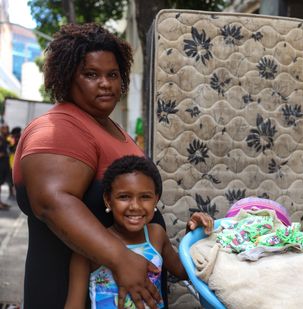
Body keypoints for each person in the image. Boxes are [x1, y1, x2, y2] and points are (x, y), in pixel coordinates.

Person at [13, 23, 173, 309]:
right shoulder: (59, 127)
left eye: (112, 74)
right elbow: (52, 202)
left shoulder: (109, 126)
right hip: (68, 295)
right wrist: (121, 258)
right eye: (91, 74)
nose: (106, 83)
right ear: (66, 78)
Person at [65, 155, 213, 308]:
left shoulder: (156, 235)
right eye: (124, 197)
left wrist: (194, 234)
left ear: (156, 200)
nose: (135, 206)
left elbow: (183, 271)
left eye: (145, 197)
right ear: (108, 200)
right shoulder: (91, 245)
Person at [0, 124, 11, 210]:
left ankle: (0, 202)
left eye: (7, 129)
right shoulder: (0, 139)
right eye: (5, 129)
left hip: (4, 165)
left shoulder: (5, 139)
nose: (7, 130)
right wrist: (3, 154)